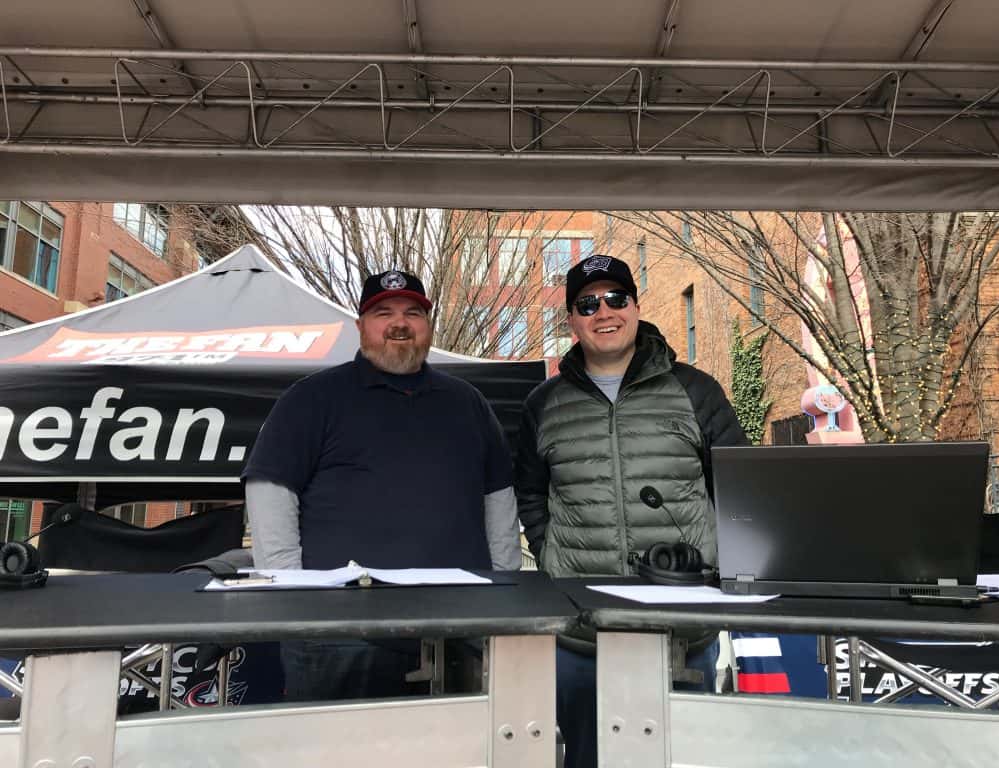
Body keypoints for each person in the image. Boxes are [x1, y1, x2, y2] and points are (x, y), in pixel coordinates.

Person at [243, 269, 521, 701]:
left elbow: (499, 498)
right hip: (339, 637)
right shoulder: (311, 399)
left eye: (413, 312)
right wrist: (294, 596)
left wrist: (500, 587)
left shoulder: (468, 402)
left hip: (461, 630)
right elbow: (270, 493)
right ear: (360, 326)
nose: (399, 323)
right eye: (383, 312)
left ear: (427, 326)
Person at [514, 254, 747, 768]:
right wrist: (553, 553)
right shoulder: (543, 404)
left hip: (681, 626)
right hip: (581, 632)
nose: (604, 312)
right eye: (588, 303)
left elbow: (741, 490)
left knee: (682, 757)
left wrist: (715, 570)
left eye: (616, 298)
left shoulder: (696, 390)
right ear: (572, 320)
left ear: (636, 307)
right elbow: (529, 493)